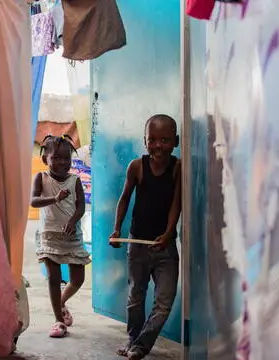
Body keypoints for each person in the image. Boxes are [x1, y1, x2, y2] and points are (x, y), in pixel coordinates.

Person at [109, 114, 182, 359]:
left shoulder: (178, 168)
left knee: (164, 302)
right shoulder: (136, 167)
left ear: (176, 141)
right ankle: (133, 341)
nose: (158, 145)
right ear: (145, 141)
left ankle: (140, 346)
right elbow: (125, 199)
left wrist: (168, 233)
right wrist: (117, 230)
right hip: (137, 245)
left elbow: (176, 203)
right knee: (135, 297)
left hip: (165, 247)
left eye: (165, 140)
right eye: (152, 139)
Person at [31, 134, 91, 338]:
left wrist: (73, 221)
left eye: (67, 158)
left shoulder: (74, 180)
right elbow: (34, 201)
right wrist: (54, 198)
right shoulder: (41, 178)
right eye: (56, 158)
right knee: (53, 278)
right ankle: (58, 320)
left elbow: (81, 206)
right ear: (45, 159)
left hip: (72, 236)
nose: (62, 162)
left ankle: (62, 302)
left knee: (78, 279)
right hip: (49, 236)